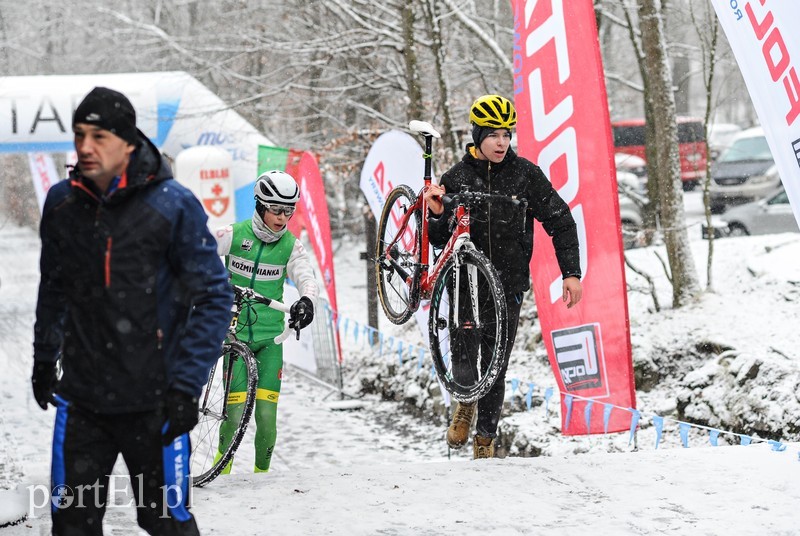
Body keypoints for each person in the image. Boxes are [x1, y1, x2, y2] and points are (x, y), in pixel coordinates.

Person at [31, 86, 233, 535]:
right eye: (80, 134)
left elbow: (215, 297)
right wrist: (44, 358)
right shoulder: (61, 204)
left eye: (99, 136)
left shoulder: (172, 204)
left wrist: (186, 385)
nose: (85, 146)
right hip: (82, 402)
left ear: (127, 142)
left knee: (166, 522)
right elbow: (54, 287)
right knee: (72, 524)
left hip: (154, 403)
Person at [423, 94, 583, 459]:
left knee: (496, 362)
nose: (502, 142)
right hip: (466, 282)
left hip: (508, 284)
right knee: (464, 352)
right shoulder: (457, 177)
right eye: (494, 135)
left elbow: (560, 220)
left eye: (507, 134)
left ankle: (485, 438)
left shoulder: (525, 174)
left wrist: (570, 273)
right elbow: (437, 239)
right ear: (478, 136)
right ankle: (464, 403)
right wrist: (435, 213)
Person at [214, 169, 319, 473]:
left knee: (267, 420)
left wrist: (306, 302)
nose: (282, 217)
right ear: (260, 205)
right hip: (235, 337)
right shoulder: (233, 234)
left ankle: (263, 479)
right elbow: (194, 251)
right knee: (232, 415)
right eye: (276, 209)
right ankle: (221, 471)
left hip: (270, 340)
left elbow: (307, 279)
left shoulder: (291, 246)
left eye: (289, 210)